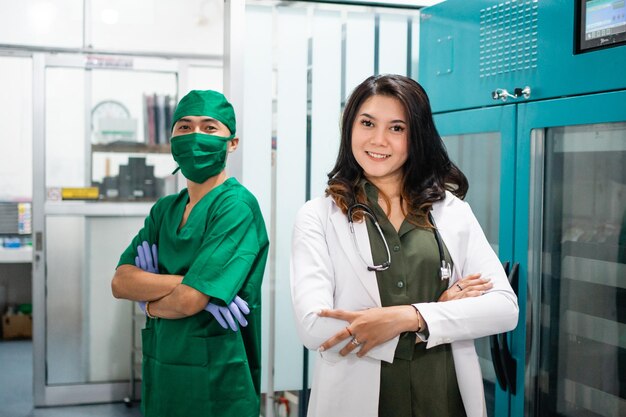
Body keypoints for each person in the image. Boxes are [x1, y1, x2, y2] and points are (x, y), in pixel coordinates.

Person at [290, 74, 518, 417]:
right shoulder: (318, 216)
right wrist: (437, 314)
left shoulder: (451, 212)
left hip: (443, 397)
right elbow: (315, 325)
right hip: (355, 399)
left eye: (397, 128)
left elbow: (503, 308)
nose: (379, 139)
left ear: (417, 137)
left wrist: (409, 316)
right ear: (350, 127)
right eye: (367, 123)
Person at [111, 90, 269, 417]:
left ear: (232, 142)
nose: (195, 136)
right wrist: (186, 282)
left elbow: (190, 301)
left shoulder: (235, 206)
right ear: (171, 138)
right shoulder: (165, 209)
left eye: (209, 128)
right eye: (184, 127)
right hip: (163, 371)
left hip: (216, 378)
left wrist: (152, 298)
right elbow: (120, 282)